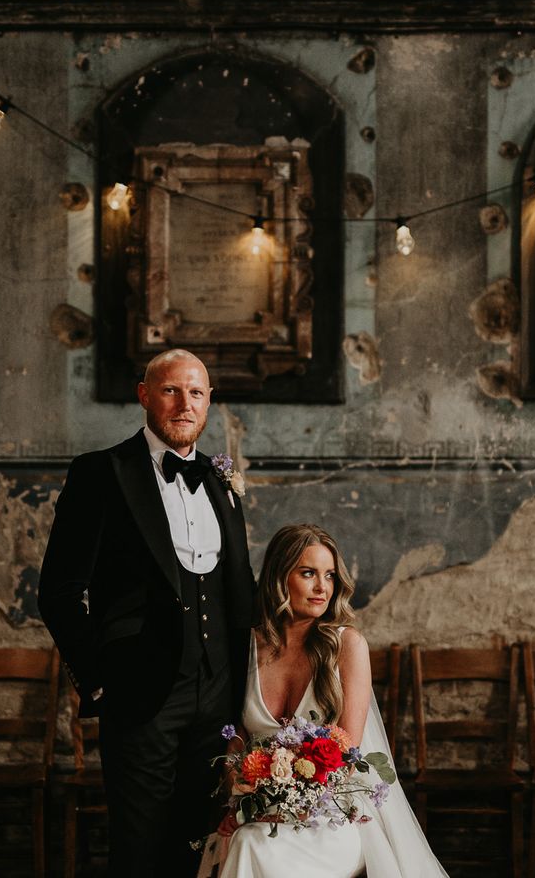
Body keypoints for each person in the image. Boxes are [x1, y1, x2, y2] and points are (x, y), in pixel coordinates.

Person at [38, 349, 255, 877]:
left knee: (203, 842)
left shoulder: (220, 480)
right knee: (139, 848)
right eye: (171, 390)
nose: (185, 403)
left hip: (218, 695)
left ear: (209, 402)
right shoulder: (101, 473)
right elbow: (60, 591)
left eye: (197, 393)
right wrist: (97, 680)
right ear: (143, 395)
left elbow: (239, 591)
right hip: (139, 694)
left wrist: (254, 689)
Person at [201, 523, 448, 878]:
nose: (322, 588)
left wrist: (283, 808)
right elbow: (237, 738)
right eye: (308, 573)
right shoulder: (246, 647)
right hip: (259, 815)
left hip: (332, 818)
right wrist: (240, 795)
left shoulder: (347, 646)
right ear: (279, 578)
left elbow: (347, 754)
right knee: (247, 840)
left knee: (252, 845)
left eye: (330, 575)